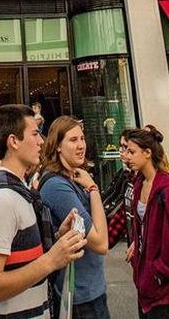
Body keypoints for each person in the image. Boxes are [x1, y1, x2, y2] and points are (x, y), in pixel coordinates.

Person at [0, 104, 85, 319]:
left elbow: (19, 253)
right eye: (35, 133)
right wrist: (52, 260)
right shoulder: (4, 199)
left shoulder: (20, 190)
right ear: (13, 141)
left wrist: (57, 239)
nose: (41, 141)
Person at [38, 116, 110, 319]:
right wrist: (93, 188)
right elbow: (100, 242)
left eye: (82, 138)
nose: (81, 146)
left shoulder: (76, 177)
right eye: (72, 140)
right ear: (57, 146)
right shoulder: (57, 186)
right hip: (80, 296)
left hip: (90, 287)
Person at [121, 127, 169, 319]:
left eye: (132, 151)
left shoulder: (167, 192)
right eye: (126, 150)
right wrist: (137, 243)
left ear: (148, 153)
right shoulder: (138, 184)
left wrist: (157, 273)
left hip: (164, 286)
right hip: (145, 280)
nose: (127, 156)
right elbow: (143, 224)